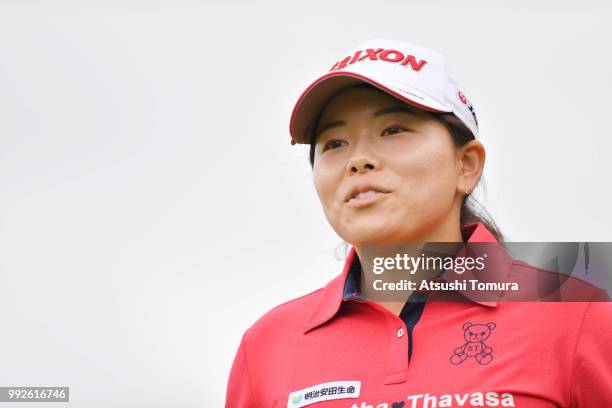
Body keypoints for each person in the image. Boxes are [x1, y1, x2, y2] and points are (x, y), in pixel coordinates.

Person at [225, 38, 612, 407]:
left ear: (467, 164)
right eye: (334, 143)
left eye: (393, 130)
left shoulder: (578, 317)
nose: (358, 160)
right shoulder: (266, 347)